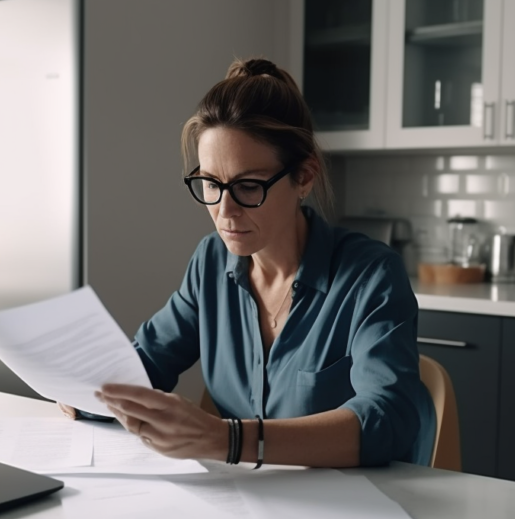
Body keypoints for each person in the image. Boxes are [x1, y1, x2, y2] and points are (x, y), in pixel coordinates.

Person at [61, 57, 435, 468]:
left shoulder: (370, 275)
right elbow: (143, 366)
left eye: (249, 186)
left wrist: (230, 439)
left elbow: (388, 418)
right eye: (210, 184)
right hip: (244, 502)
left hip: (355, 508)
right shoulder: (210, 263)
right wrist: (83, 390)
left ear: (305, 177)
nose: (225, 212)